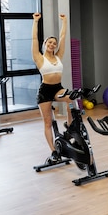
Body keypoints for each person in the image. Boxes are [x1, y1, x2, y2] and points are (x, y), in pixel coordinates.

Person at [32, 12, 72, 162]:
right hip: (45, 92)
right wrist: (35, 22)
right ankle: (54, 151)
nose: (52, 45)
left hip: (58, 88)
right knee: (48, 122)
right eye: (49, 42)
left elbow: (63, 38)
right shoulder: (39, 58)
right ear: (44, 45)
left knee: (72, 99)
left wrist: (64, 22)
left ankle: (69, 125)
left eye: (54, 43)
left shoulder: (58, 56)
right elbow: (34, 39)